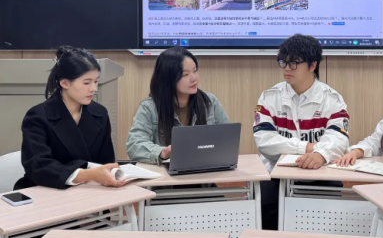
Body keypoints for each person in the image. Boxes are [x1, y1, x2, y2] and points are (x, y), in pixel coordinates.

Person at [254, 34, 350, 230]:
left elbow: (339, 140)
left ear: (313, 65)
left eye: (294, 63)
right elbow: (265, 141)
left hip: (320, 176)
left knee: (327, 229)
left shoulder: (332, 100)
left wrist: (320, 155)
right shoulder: (269, 97)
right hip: (276, 177)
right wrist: (306, 148)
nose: (287, 68)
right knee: (266, 224)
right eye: (284, 62)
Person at [15, 47, 124, 191]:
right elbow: (39, 167)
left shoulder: (100, 113)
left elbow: (105, 162)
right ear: (65, 83)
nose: (93, 89)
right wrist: (89, 174)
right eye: (86, 83)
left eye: (96, 82)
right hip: (44, 190)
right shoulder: (37, 116)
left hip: (90, 191)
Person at [127, 47, 230, 164]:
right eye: (185, 74)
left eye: (195, 71)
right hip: (165, 174)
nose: (194, 78)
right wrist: (162, 152)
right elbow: (134, 145)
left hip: (204, 170)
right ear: (168, 78)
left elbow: (228, 138)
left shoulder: (210, 102)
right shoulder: (149, 108)